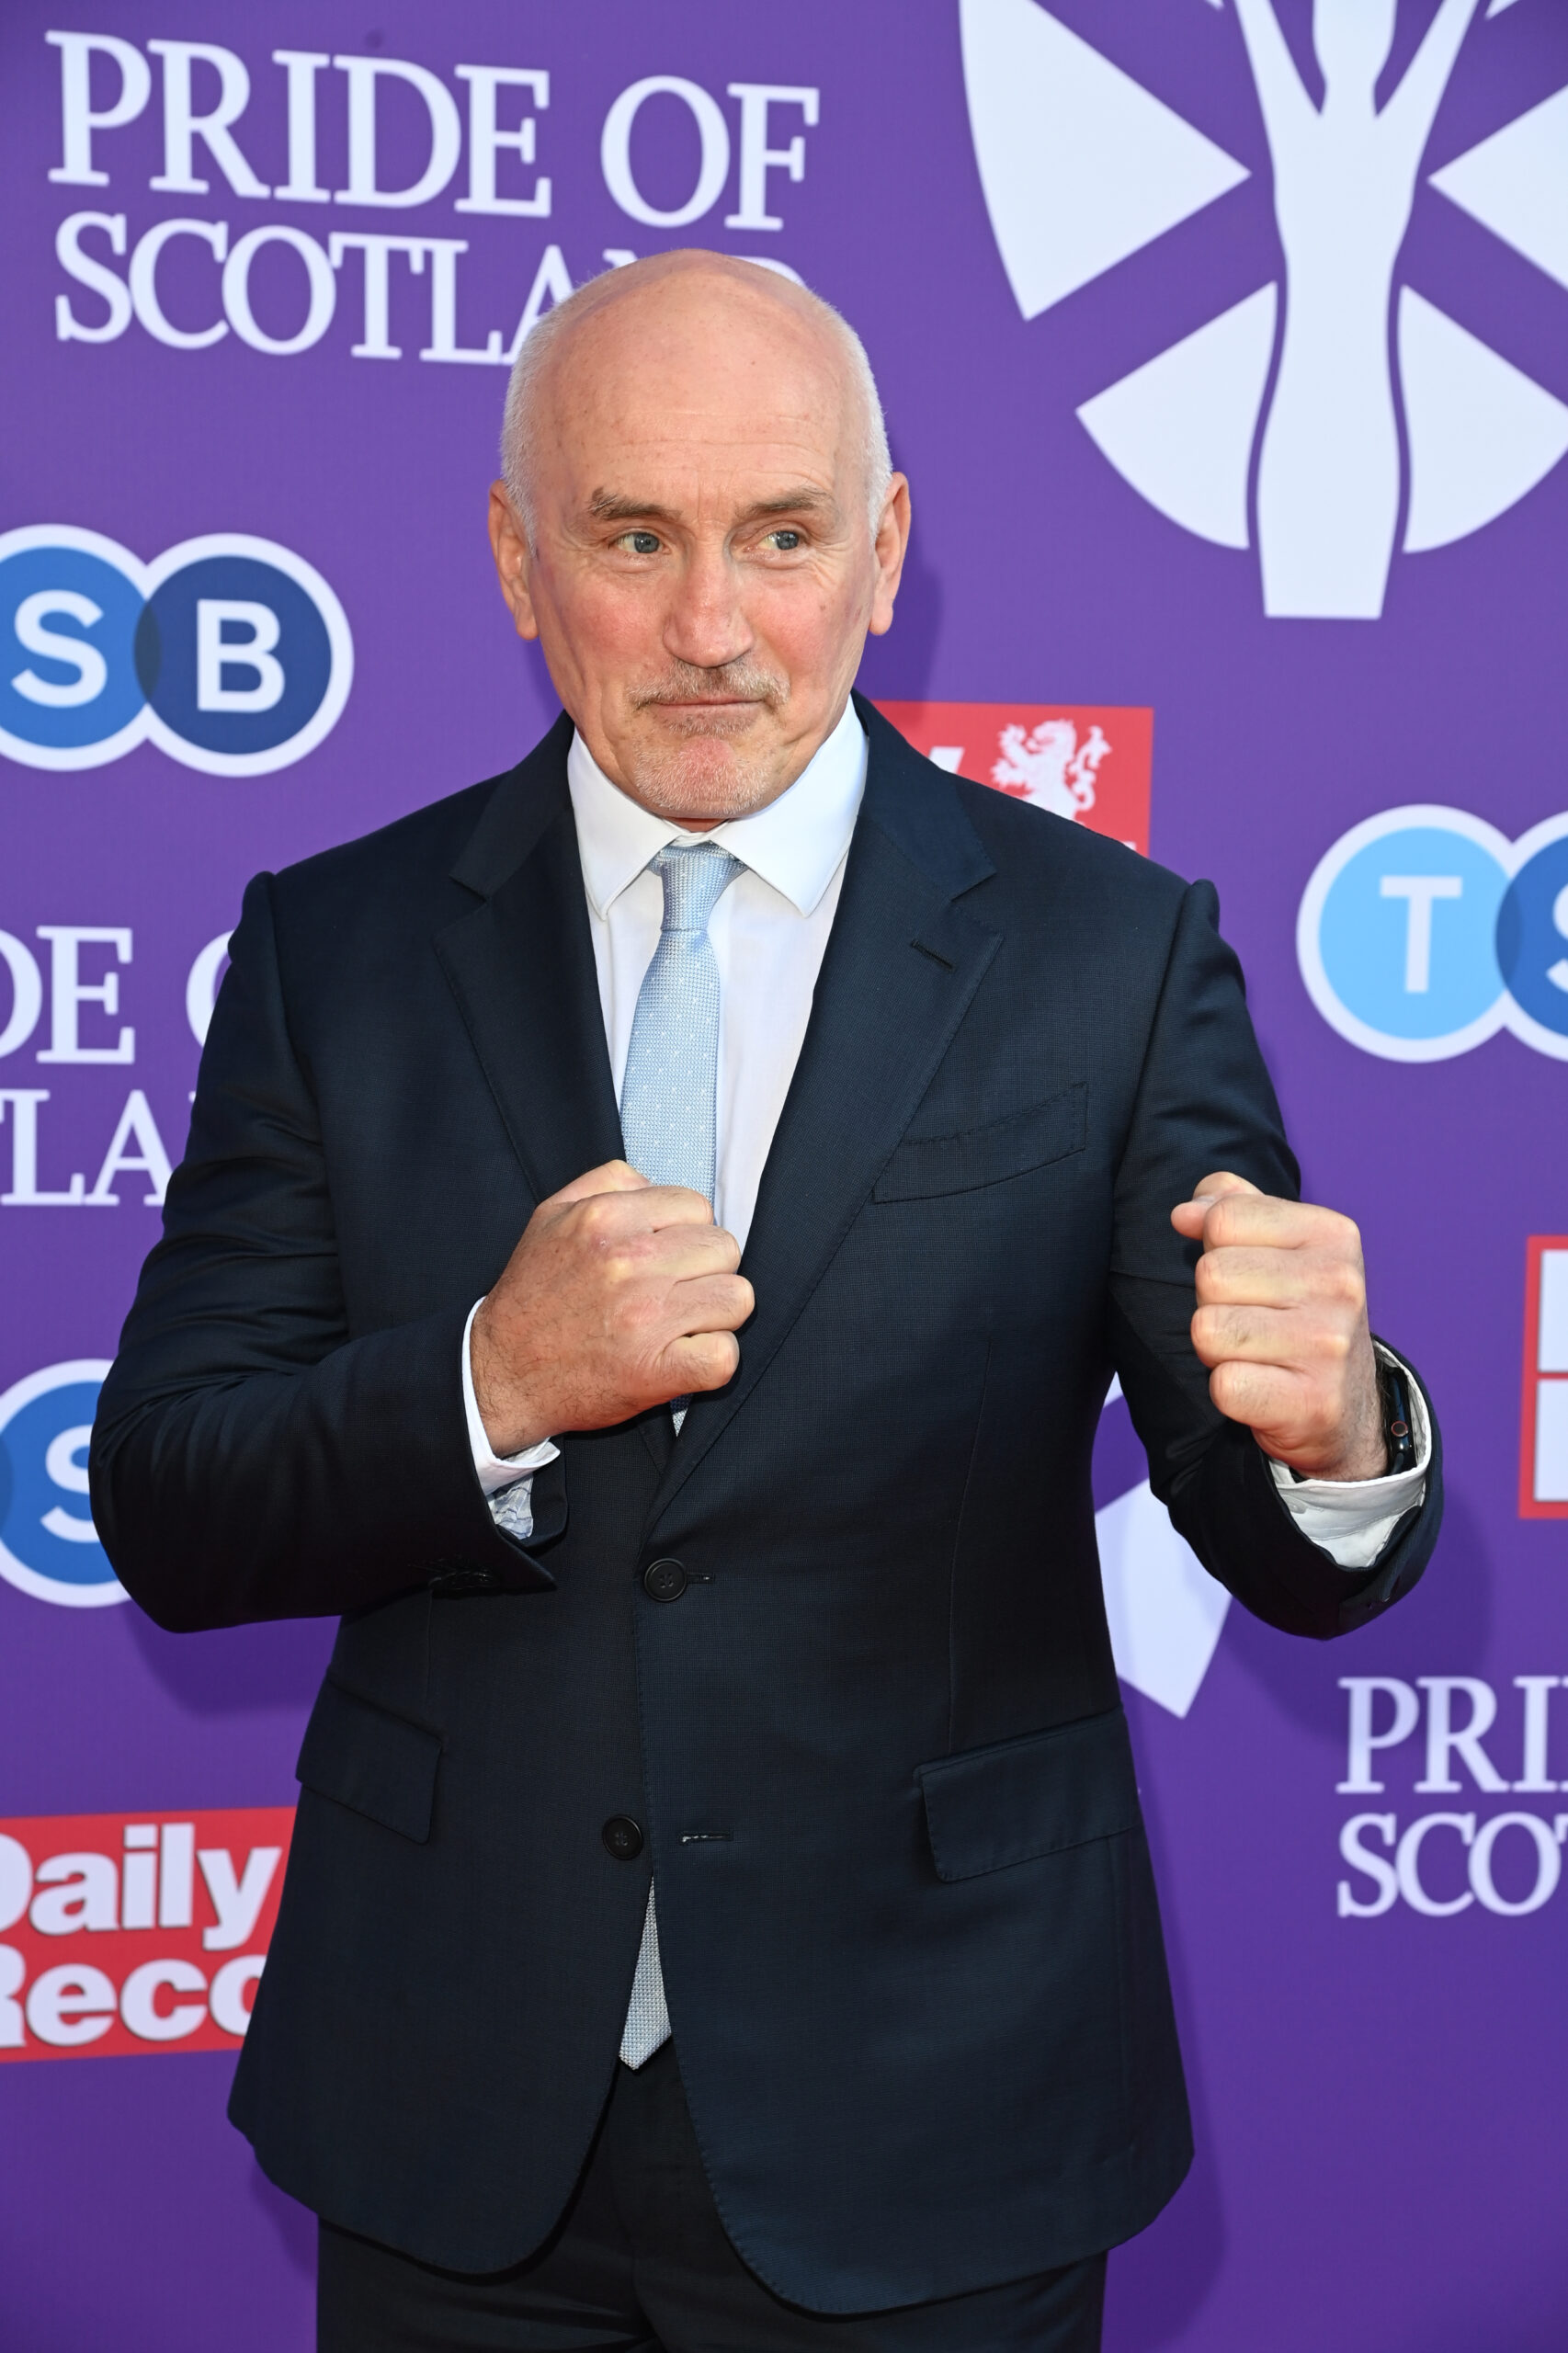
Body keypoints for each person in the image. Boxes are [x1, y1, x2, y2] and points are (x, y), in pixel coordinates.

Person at [91, 251, 1439, 2353]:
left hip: (940, 2117)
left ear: (881, 548)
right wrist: (489, 1376)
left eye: (781, 535)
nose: (712, 628)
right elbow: (170, 1500)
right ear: (518, 561)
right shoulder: (333, 951)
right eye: (633, 537)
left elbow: (1281, 1544)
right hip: (454, 2120)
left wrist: (1335, 1436)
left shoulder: (1108, 951)